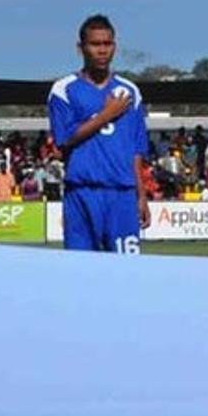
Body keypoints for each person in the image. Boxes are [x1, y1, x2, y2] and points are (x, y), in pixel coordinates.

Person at [48, 14, 151, 253]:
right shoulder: (64, 90)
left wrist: (141, 194)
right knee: (81, 275)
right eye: (95, 44)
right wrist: (105, 115)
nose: (102, 50)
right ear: (80, 48)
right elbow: (65, 140)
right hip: (82, 193)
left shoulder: (130, 91)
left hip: (122, 194)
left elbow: (135, 150)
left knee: (127, 274)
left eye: (107, 44)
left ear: (114, 46)